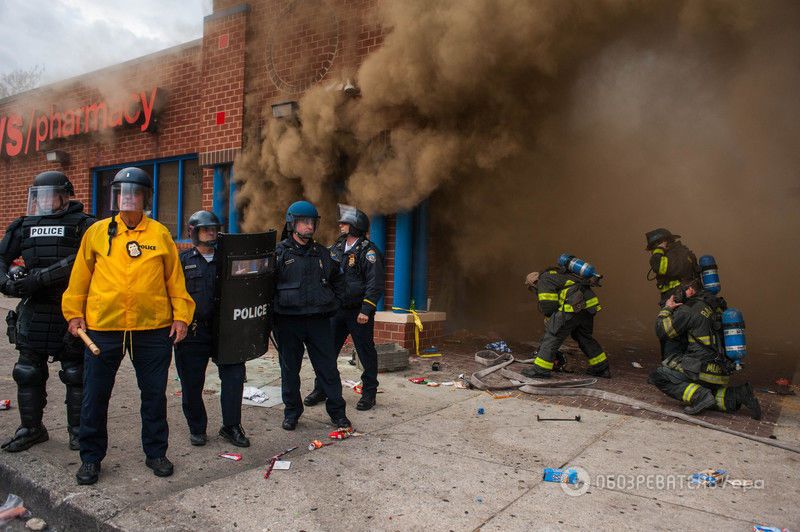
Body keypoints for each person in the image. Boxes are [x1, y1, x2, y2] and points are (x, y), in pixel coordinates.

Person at [62, 167, 195, 485]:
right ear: (115, 197)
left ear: (144, 198)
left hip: (152, 329)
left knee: (153, 395)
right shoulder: (97, 232)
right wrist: (73, 312)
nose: (127, 198)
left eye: (134, 193)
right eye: (122, 193)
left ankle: (156, 452)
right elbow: (80, 276)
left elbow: (174, 280)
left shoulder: (159, 234)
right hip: (103, 328)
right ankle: (91, 458)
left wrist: (181, 316)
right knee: (95, 395)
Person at [0, 171, 95, 452]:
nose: (44, 200)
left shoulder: (85, 226)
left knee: (76, 373)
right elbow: (1, 257)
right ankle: (31, 428)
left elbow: (86, 259)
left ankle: (78, 431)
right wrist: (7, 281)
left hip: (72, 308)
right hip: (35, 309)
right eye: (39, 195)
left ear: (65, 195)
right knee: (28, 371)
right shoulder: (23, 225)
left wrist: (38, 278)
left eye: (50, 194)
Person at [273, 200, 350, 431]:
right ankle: (292, 413)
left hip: (318, 321)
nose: (309, 226)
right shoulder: (278, 254)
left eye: (312, 222)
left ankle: (338, 413)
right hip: (288, 322)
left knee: (328, 369)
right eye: (304, 222)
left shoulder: (322, 254)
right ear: (292, 224)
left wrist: (334, 304)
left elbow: (339, 281)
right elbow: (266, 287)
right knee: (289, 371)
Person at [175, 210, 249, 448]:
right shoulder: (182, 262)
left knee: (234, 377)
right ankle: (197, 427)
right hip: (193, 332)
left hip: (226, 330)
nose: (211, 233)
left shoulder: (230, 260)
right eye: (205, 229)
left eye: (214, 229)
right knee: (191, 382)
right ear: (193, 232)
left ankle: (231, 426)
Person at [304, 204, 384, 411]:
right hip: (336, 310)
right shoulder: (336, 248)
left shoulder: (369, 251)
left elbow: (374, 284)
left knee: (366, 353)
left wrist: (366, 310)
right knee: (326, 352)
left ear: (356, 226)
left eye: (345, 222)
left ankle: (369, 394)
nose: (340, 224)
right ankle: (321, 389)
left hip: (358, 312)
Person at [648, 280, 760, 418]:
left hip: (701, 369)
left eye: (681, 290)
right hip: (721, 372)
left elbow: (662, 331)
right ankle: (739, 394)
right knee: (710, 391)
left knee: (659, 376)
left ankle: (699, 396)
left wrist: (667, 309)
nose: (678, 294)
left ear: (690, 290)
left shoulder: (690, 308)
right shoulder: (717, 306)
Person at [522, 264, 610, 379]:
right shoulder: (559, 275)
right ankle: (601, 369)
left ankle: (540, 370)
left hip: (573, 307)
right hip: (588, 307)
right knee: (584, 337)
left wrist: (550, 321)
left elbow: (549, 306)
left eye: (532, 289)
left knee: (553, 336)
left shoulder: (543, 280)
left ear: (533, 284)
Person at [645, 228, 699, 306]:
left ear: (663, 243)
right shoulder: (679, 253)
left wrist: (659, 249)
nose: (653, 252)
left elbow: (658, 265)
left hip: (680, 300)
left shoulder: (675, 255)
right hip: (680, 298)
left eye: (654, 248)